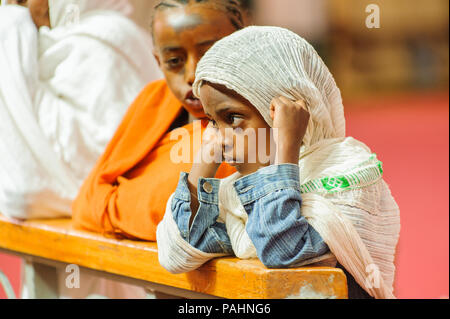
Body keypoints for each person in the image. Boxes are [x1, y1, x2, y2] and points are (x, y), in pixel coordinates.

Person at [156, 26, 401, 299]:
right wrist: (206, 157)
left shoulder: (347, 174)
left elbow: (282, 250)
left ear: (283, 117)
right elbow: (177, 252)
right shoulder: (236, 195)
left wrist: (287, 148)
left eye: (232, 118)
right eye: (213, 121)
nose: (219, 138)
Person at [72, 0, 253, 241]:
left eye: (209, 54)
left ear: (242, 45)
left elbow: (182, 222)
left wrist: (119, 203)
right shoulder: (154, 99)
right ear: (158, 61)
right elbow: (86, 204)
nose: (192, 75)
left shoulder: (255, 121)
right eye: (174, 61)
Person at [0, 0, 162, 219]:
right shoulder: (44, 46)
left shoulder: (105, 39)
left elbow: (103, 159)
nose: (12, 7)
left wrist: (8, 37)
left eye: (21, 0)